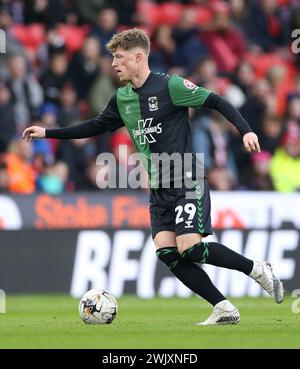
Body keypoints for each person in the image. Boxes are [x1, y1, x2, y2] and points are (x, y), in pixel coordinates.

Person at [23, 28, 284, 325]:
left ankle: (257, 269)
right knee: (167, 252)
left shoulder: (170, 86)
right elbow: (94, 126)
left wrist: (246, 129)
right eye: (112, 58)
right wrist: (48, 132)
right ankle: (223, 308)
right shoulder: (122, 98)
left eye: (119, 57)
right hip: (158, 187)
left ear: (138, 57)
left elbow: (216, 101)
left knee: (192, 248)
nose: (113, 64)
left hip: (186, 178)